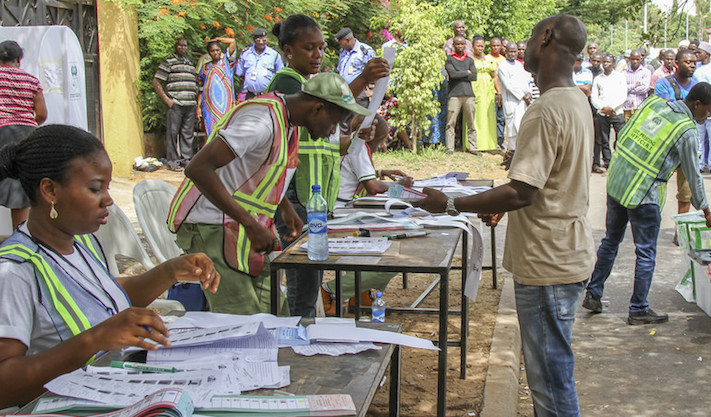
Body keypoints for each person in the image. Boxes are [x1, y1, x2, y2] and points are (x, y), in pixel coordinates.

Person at [414, 14, 593, 416]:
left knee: (550, 385)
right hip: (565, 256)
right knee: (553, 377)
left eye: (530, 37)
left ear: (545, 38)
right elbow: (550, 182)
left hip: (548, 266)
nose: (524, 46)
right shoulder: (576, 99)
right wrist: (498, 201)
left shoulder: (547, 109)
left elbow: (522, 192)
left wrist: (451, 204)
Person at [0, 124, 220, 409]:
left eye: (107, 186)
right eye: (95, 188)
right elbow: (4, 386)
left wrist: (170, 271)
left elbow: (105, 298)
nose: (109, 200)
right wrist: (93, 340)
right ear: (50, 190)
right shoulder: (15, 270)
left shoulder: (82, 243)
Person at [167, 73, 370, 315]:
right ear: (317, 109)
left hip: (241, 229)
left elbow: (259, 170)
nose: (332, 131)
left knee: (278, 321)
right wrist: (251, 224)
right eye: (334, 123)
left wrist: (285, 208)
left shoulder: (288, 123)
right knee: (243, 324)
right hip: (211, 225)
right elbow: (197, 168)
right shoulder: (262, 120)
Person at [264, 14, 389, 317]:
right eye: (309, 48)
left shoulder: (310, 83)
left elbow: (328, 145)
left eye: (321, 48)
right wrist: (363, 79)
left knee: (313, 276)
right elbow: (327, 99)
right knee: (304, 283)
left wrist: (356, 137)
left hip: (317, 196)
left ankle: (306, 334)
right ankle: (299, 345)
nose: (318, 55)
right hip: (296, 197)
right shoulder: (288, 81)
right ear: (288, 51)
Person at [583, 83, 711, 324]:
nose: (708, 115)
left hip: (619, 182)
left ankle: (593, 292)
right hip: (644, 193)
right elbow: (693, 175)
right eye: (707, 110)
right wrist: (705, 208)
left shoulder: (653, 104)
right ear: (696, 105)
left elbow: (625, 135)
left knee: (611, 240)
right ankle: (638, 308)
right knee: (645, 253)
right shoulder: (686, 130)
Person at [0, 40, 47, 229]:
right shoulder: (32, 80)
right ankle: (19, 239)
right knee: (17, 188)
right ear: (18, 59)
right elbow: (42, 114)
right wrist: (27, 124)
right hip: (26, 135)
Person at [654, 49, 698, 233]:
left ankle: (680, 229)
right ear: (677, 64)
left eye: (694, 62)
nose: (692, 65)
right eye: (688, 62)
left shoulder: (696, 85)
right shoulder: (664, 83)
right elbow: (664, 108)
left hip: (687, 140)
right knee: (657, 185)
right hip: (666, 141)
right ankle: (652, 223)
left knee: (686, 188)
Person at [152, 38, 198, 172]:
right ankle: (172, 161)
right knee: (173, 133)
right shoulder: (168, 63)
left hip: (190, 104)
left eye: (185, 45)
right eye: (180, 45)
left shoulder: (190, 63)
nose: (183, 48)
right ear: (176, 46)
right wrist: (167, 100)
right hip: (176, 104)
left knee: (187, 134)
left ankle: (186, 160)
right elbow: (156, 81)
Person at [590, 53, 627, 174]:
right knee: (604, 140)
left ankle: (621, 163)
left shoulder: (620, 77)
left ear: (613, 63)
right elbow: (594, 97)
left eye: (608, 62)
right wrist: (602, 108)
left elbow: (623, 95)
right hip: (602, 113)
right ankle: (608, 164)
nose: (606, 64)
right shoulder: (598, 79)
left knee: (621, 138)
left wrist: (612, 108)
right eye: (604, 62)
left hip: (617, 112)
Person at [197, 37, 237, 138]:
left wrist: (218, 39)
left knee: (226, 131)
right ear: (208, 53)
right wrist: (198, 107)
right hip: (209, 107)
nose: (215, 53)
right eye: (212, 51)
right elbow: (200, 89)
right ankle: (213, 153)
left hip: (226, 106)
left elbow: (232, 42)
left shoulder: (227, 63)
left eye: (217, 50)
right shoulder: (204, 68)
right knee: (211, 132)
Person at [445, 36, 478, 155]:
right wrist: (466, 73)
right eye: (457, 44)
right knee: (451, 123)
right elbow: (452, 74)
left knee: (471, 123)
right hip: (454, 94)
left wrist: (461, 74)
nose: (459, 46)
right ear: (453, 45)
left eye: (462, 44)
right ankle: (450, 148)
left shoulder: (469, 60)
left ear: (465, 45)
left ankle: (473, 147)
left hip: (469, 94)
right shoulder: (449, 59)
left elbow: (474, 76)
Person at [466, 36, 499, 153]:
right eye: (478, 46)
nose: (480, 48)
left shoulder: (488, 59)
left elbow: (494, 76)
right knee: (476, 116)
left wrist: (498, 91)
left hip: (488, 91)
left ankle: (488, 143)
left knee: (487, 115)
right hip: (474, 88)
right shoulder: (469, 59)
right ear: (473, 46)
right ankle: (475, 144)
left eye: (482, 46)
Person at [497, 42, 531, 151]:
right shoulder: (502, 66)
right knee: (512, 128)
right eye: (510, 51)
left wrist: (528, 93)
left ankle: (521, 152)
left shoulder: (519, 65)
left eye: (515, 51)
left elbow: (525, 81)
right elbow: (508, 85)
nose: (513, 54)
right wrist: (522, 95)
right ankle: (511, 153)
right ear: (506, 52)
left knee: (522, 126)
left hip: (522, 102)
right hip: (511, 101)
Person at [235, 28, 284, 100]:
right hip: (250, 95)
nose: (261, 42)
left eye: (264, 40)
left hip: (267, 95)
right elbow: (241, 74)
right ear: (254, 39)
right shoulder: (246, 54)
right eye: (258, 40)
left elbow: (280, 75)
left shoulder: (274, 55)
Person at [622, 49, 651, 121]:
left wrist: (629, 88)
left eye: (637, 59)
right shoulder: (624, 73)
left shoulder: (646, 72)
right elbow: (622, 89)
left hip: (640, 106)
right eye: (633, 59)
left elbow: (645, 89)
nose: (635, 61)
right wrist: (635, 85)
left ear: (641, 59)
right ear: (629, 59)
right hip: (626, 106)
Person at [488, 37, 506, 150]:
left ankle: (499, 141)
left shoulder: (504, 60)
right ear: (490, 47)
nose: (495, 47)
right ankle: (491, 141)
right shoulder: (487, 58)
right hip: (491, 92)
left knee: (501, 118)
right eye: (493, 45)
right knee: (492, 118)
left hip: (503, 92)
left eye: (497, 45)